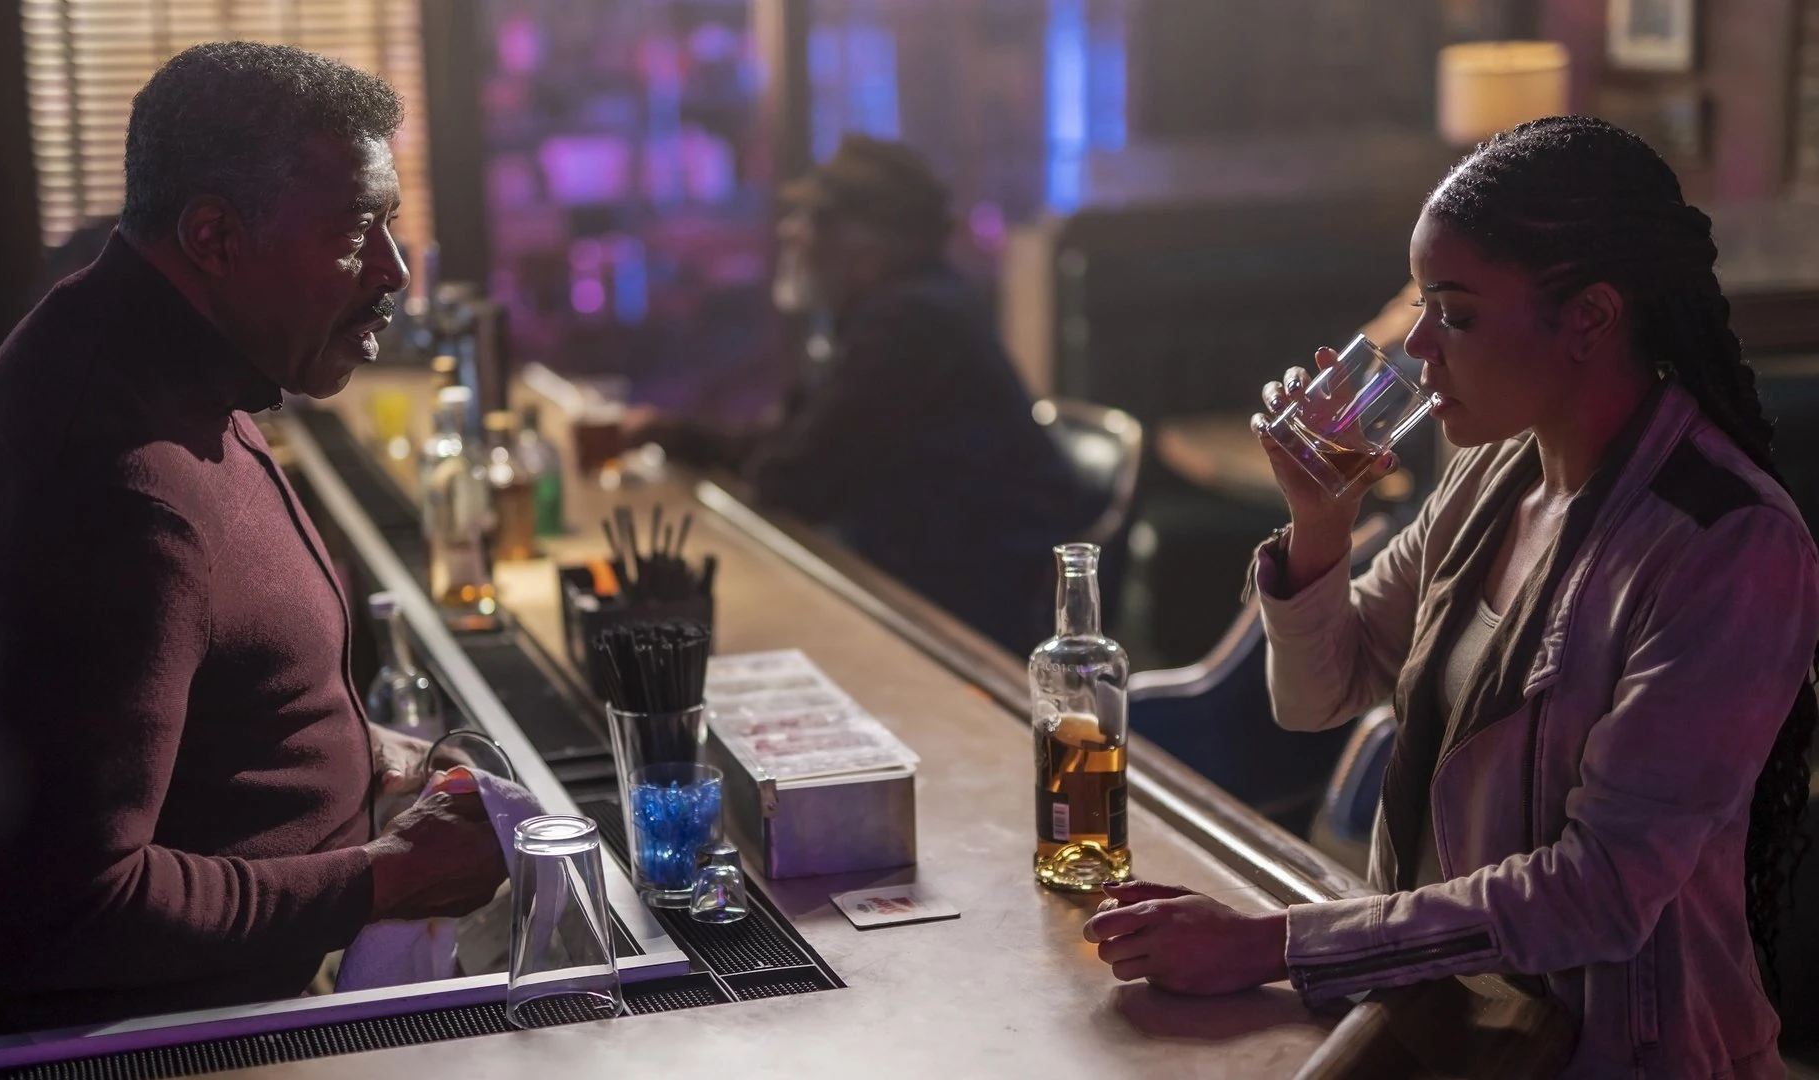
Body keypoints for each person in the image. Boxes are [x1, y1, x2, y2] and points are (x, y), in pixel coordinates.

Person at [1083, 116, 1819, 1079]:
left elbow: (1600, 891)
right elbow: (1316, 697)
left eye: (1456, 314)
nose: (1418, 345)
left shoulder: (1728, 545)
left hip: (1619, 1054)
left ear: (1590, 318)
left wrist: (1271, 943)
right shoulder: (1493, 477)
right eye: (1423, 306)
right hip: (1444, 1021)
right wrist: (1320, 523)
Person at [0, 43, 506, 1042]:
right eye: (358, 231)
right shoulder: (113, 487)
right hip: (150, 1043)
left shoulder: (171, 356)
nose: (394, 269)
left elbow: (199, 681)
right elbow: (59, 917)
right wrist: (387, 878)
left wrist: (363, 755)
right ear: (216, 236)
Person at [627, 136, 1095, 655]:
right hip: (924, 577)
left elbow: (796, 478)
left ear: (868, 253)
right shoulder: (894, 310)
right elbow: (794, 445)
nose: (789, 232)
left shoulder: (911, 324)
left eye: (812, 221)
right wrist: (679, 435)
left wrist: (745, 451)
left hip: (968, 612)